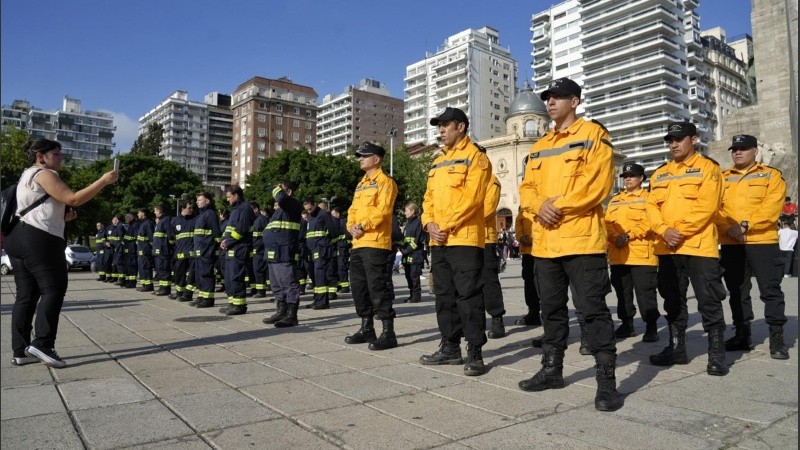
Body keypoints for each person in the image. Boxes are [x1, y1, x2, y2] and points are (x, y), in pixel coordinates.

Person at [517, 78, 621, 411]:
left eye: (558, 97)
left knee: (592, 311)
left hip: (581, 241)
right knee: (552, 311)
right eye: (547, 97)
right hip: (546, 245)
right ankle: (552, 370)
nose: (550, 102)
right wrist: (539, 206)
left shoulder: (593, 135)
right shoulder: (539, 145)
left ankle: (606, 382)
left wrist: (555, 206)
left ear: (574, 101)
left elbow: (598, 185)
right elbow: (527, 188)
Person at [6, 138, 117, 367]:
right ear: (41, 156)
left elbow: (40, 207)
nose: (61, 158)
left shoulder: (25, 176)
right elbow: (73, 198)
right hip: (39, 239)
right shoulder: (45, 174)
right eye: (57, 154)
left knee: (25, 296)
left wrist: (62, 217)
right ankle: (43, 344)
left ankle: (21, 350)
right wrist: (103, 181)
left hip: (18, 238)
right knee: (54, 289)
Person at [646, 122, 729, 376]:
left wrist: (677, 231)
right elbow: (650, 207)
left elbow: (707, 207)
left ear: (693, 140)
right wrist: (663, 230)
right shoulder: (660, 173)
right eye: (670, 140)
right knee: (673, 301)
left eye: (679, 139)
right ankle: (676, 348)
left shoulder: (708, 168)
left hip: (698, 246)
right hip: (667, 248)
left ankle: (717, 354)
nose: (673, 144)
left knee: (709, 300)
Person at [419, 107, 491, 376]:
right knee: (444, 295)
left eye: (446, 125)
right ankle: (450, 347)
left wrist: (444, 225)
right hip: (439, 240)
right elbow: (428, 199)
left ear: (461, 127)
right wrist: (429, 224)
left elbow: (472, 199)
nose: (441, 130)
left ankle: (475, 351)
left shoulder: (476, 157)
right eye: (439, 125)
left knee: (469, 296)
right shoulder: (437, 161)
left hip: (464, 238)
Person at [715, 134, 789, 359]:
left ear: (755, 151)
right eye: (735, 149)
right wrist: (729, 228)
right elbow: (714, 206)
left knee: (770, 290)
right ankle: (742, 334)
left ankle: (777, 339)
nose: (738, 152)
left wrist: (745, 226)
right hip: (730, 242)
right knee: (737, 292)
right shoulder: (722, 178)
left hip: (762, 241)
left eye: (744, 148)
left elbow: (772, 206)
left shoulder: (771, 175)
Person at [345, 142, 399, 350]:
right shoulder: (361, 184)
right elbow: (352, 209)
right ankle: (367, 327)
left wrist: (362, 225)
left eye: (364, 156)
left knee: (378, 288)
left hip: (376, 243)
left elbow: (383, 211)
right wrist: (350, 226)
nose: (360, 158)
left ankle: (388, 332)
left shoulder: (385, 182)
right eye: (359, 155)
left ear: (376, 159)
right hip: (358, 242)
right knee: (359, 287)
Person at [604, 163, 661, 342]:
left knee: (645, 294)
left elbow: (650, 221)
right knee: (623, 293)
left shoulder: (649, 198)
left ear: (641, 178)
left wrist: (628, 236)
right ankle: (627, 324)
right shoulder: (615, 199)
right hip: (618, 255)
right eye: (625, 176)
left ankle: (651, 327)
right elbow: (607, 222)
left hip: (641, 255)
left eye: (632, 176)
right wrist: (615, 238)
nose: (627, 179)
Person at [262, 181, 304, 327]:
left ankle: (292, 316)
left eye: (281, 189)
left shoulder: (292, 204)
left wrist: (275, 188)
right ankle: (281, 311)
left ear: (289, 192)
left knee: (288, 283)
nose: (277, 193)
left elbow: (282, 198)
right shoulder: (279, 211)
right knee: (276, 285)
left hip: (284, 253)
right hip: (273, 253)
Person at [219, 185, 255, 315]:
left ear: (236, 195)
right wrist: (224, 240)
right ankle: (232, 303)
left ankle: (239, 306)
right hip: (231, 247)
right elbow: (229, 229)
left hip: (239, 248)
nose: (228, 200)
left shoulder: (244, 208)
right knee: (229, 277)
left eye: (229, 197)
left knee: (236, 276)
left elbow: (242, 229)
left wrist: (228, 241)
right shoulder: (235, 210)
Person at [483, 174, 507, 339]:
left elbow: (488, 208)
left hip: (485, 238)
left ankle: (497, 318)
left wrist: (458, 217)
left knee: (489, 281)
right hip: (463, 237)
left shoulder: (490, 180)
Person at [303, 197, 338, 309]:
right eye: (306, 210)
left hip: (321, 249)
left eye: (310, 209)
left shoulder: (323, 214)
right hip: (312, 249)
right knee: (314, 276)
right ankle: (317, 299)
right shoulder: (311, 216)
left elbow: (333, 231)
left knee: (320, 275)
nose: (308, 211)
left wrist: (325, 242)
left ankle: (323, 302)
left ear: (315, 204)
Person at [190, 191, 220, 308]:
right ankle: (202, 297)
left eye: (199, 200)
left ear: (207, 201)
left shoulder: (210, 214)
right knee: (200, 275)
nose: (197, 202)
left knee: (206, 274)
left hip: (207, 250)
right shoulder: (201, 215)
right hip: (199, 250)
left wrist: (214, 249)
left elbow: (216, 233)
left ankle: (208, 299)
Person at [514, 206, 542, 327]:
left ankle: (548, 313)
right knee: (529, 282)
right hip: (527, 251)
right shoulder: (523, 210)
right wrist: (520, 237)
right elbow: (518, 225)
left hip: (543, 249)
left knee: (546, 282)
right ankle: (533, 313)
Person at [400, 202, 425, 303]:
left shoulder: (418, 223)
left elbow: (417, 240)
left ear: (412, 211)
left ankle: (416, 297)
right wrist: (401, 248)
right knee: (408, 276)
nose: (404, 213)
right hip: (407, 255)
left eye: (406, 211)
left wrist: (407, 250)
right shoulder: (407, 224)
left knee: (414, 276)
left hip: (415, 254)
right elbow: (405, 239)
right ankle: (411, 295)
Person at [170, 200, 195, 301]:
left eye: (192, 208)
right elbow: (173, 237)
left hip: (192, 252)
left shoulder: (195, 219)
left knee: (191, 275)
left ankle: (188, 294)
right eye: (189, 208)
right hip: (180, 252)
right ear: (182, 208)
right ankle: (179, 292)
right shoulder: (175, 221)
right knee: (179, 274)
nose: (191, 210)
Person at [151, 204, 173, 296]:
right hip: (158, 250)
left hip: (163, 250)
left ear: (159, 211)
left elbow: (170, 236)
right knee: (160, 270)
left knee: (164, 270)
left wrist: (169, 246)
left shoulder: (166, 220)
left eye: (155, 210)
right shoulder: (160, 221)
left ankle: (165, 289)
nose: (154, 212)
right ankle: (161, 288)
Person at [249, 202, 269, 298]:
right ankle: (255, 289)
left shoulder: (262, 220)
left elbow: (265, 235)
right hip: (254, 250)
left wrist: (258, 247)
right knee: (254, 270)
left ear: (256, 209)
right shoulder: (254, 220)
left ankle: (261, 291)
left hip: (260, 250)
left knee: (259, 270)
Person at [331, 207, 352, 294]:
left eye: (333, 214)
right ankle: (340, 284)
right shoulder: (339, 221)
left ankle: (345, 286)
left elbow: (347, 235)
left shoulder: (343, 222)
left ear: (338, 214)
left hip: (342, 246)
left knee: (342, 266)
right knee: (338, 266)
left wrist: (346, 244)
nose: (332, 216)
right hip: (339, 246)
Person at [135, 208, 155, 292]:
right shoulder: (142, 223)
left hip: (145, 249)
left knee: (146, 267)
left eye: (139, 213)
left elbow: (151, 238)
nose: (137, 214)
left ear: (143, 214)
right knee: (142, 267)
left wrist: (150, 248)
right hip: (141, 249)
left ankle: (148, 285)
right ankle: (144, 284)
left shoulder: (148, 223)